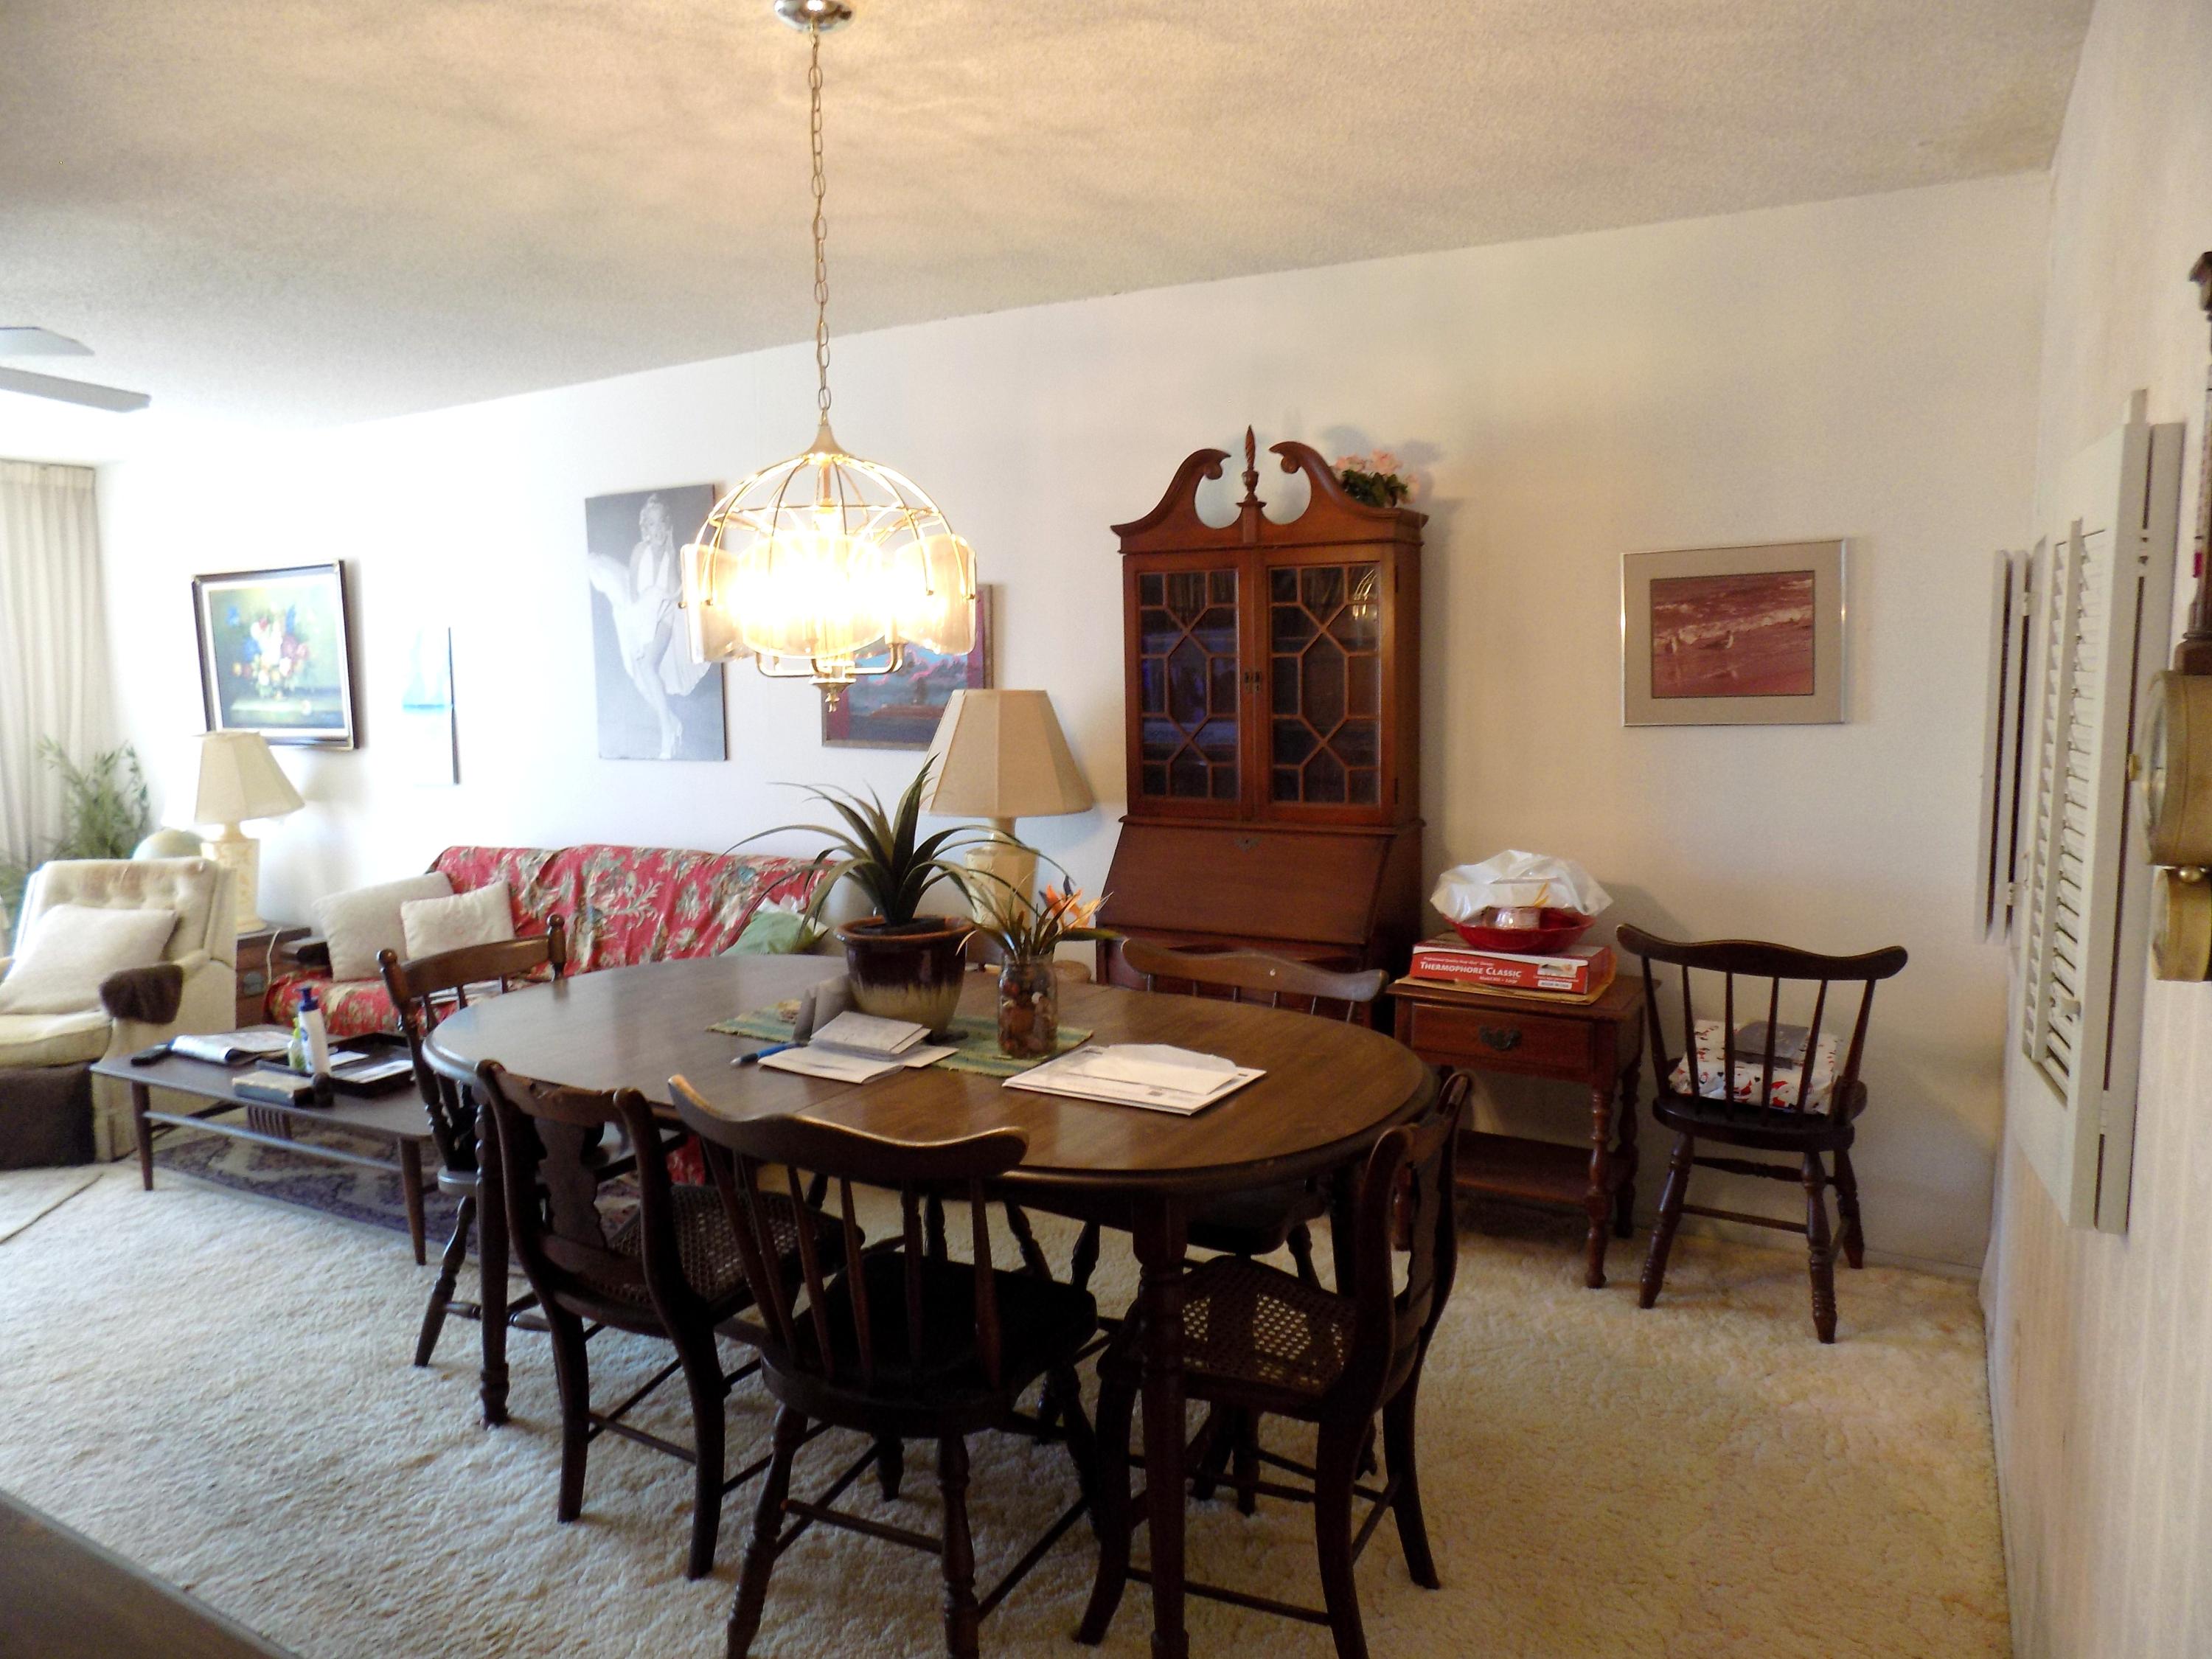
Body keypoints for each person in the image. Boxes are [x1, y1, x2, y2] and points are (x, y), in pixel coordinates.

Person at [588, 493, 711, 758]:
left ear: (668, 525)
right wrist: (639, 627)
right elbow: (633, 593)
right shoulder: (638, 551)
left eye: (662, 522)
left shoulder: (673, 555)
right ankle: (673, 723)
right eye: (652, 524)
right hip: (642, 616)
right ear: (645, 527)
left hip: (666, 615)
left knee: (647, 667)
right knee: (642, 678)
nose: (657, 529)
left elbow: (675, 595)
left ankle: (667, 733)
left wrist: (671, 552)